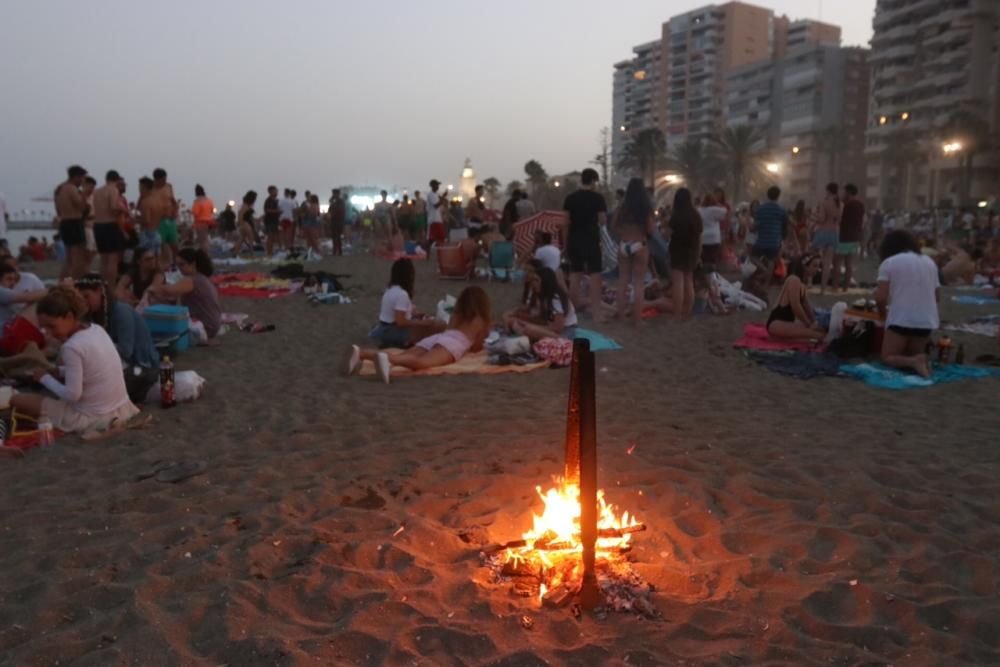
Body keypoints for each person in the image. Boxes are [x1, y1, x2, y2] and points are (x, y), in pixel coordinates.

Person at [9, 286, 139, 434]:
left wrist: (43, 378)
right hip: (120, 407)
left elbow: (72, 395)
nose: (48, 333)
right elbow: (92, 368)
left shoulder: (72, 347)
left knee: (16, 400)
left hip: (91, 417)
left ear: (69, 317)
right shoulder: (96, 329)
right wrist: (60, 371)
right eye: (44, 328)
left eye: (52, 326)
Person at [346, 286, 492, 384]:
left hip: (440, 337)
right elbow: (477, 345)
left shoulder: (457, 315)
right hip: (454, 345)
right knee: (422, 363)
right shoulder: (481, 321)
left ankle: (361, 353)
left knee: (407, 355)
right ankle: (388, 360)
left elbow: (449, 330)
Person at [75, 274, 159, 403]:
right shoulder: (95, 314)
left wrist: (97, 345)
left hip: (141, 367)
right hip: (122, 365)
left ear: (100, 291)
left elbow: (126, 351)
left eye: (87, 296)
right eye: (80, 299)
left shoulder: (121, 311)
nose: (84, 302)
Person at [875, 230, 940, 378]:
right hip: (926, 321)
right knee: (911, 353)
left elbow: (880, 298)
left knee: (888, 357)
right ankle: (917, 360)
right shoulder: (929, 262)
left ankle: (914, 362)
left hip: (901, 320)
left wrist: (882, 316)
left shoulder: (889, 263)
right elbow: (936, 297)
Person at [368, 258, 445, 348]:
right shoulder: (402, 294)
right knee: (438, 325)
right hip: (391, 330)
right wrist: (423, 323)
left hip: (384, 327)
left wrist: (416, 316)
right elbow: (400, 322)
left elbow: (396, 315)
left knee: (431, 324)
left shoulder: (390, 289)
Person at [150, 247, 222, 341]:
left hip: (204, 327)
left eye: (182, 265)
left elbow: (168, 291)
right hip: (211, 324)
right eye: (178, 265)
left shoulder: (192, 279)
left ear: (193, 264)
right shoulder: (200, 278)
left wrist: (158, 277)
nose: (179, 269)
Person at [562, 168, 608, 316]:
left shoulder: (570, 198)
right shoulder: (598, 198)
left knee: (575, 275)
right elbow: (602, 221)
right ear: (593, 181)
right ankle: (596, 313)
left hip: (574, 240)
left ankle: (571, 310)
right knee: (595, 275)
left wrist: (565, 243)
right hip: (591, 240)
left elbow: (565, 223)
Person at [613, 177, 656, 323]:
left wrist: (623, 234)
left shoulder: (622, 207)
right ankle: (637, 319)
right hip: (640, 244)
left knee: (622, 281)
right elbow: (651, 229)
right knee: (638, 283)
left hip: (624, 244)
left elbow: (613, 227)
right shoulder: (645, 207)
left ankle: (621, 316)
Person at [506, 264, 577, 341]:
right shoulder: (543, 296)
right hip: (550, 328)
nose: (533, 283)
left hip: (564, 333)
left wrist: (530, 325)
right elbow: (543, 320)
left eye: (536, 280)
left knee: (529, 330)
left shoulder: (556, 298)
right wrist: (522, 318)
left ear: (545, 281)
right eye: (533, 280)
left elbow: (558, 328)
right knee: (513, 321)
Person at [766, 253, 826, 343]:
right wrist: (808, 324)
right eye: (814, 266)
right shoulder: (794, 280)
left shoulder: (802, 284)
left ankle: (780, 339)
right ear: (805, 266)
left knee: (820, 331)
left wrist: (814, 322)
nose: (817, 269)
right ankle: (779, 338)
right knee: (818, 335)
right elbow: (796, 306)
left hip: (786, 323)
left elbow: (806, 306)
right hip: (776, 324)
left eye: (818, 266)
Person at [749, 186, 792, 301]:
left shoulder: (761, 209)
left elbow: (755, 226)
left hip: (762, 241)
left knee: (753, 257)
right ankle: (765, 287)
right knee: (772, 262)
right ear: (778, 196)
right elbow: (785, 227)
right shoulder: (782, 210)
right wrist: (782, 239)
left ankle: (763, 270)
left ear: (767, 195)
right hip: (774, 242)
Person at [667, 188, 703, 320]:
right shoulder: (696, 215)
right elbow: (700, 238)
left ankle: (677, 314)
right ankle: (688, 312)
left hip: (677, 251)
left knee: (678, 283)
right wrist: (698, 255)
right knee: (689, 281)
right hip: (692, 252)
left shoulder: (676, 215)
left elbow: (667, 235)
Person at [91, 170, 127, 286]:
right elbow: (113, 207)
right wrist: (124, 209)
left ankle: (102, 284)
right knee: (112, 260)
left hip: (97, 226)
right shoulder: (113, 189)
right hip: (109, 225)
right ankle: (111, 285)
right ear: (116, 180)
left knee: (103, 259)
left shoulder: (96, 191)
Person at [54, 165, 89, 279]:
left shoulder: (60, 189)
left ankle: (63, 282)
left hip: (65, 222)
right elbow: (81, 206)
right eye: (82, 178)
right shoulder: (71, 188)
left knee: (70, 258)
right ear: (77, 177)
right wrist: (84, 193)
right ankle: (73, 282)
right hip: (73, 222)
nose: (83, 181)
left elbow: (58, 209)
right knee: (76, 258)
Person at [832, 183, 865, 292]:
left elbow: (839, 218)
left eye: (844, 192)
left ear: (849, 192)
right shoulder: (860, 204)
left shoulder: (847, 204)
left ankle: (835, 287)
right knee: (849, 264)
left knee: (836, 263)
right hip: (855, 237)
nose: (843, 194)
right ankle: (845, 288)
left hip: (844, 236)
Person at [813, 182, 842, 294]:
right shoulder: (841, 204)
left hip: (823, 231)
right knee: (828, 263)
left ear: (828, 191)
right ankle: (823, 289)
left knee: (815, 256)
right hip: (834, 233)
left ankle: (811, 281)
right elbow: (838, 220)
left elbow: (821, 219)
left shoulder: (824, 203)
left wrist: (813, 217)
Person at [152, 168, 179, 266]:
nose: (164, 181)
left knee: (174, 245)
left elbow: (173, 201)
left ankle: (177, 264)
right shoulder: (151, 189)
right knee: (161, 245)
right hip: (158, 221)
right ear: (156, 179)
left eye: (165, 179)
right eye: (162, 179)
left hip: (170, 219)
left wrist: (175, 212)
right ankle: (163, 266)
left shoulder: (168, 187)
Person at [697, 192, 727, 270]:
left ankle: (704, 276)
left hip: (703, 238)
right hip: (714, 238)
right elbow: (725, 211)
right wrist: (718, 204)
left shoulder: (699, 210)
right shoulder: (716, 210)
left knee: (704, 259)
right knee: (712, 260)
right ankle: (712, 276)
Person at [191, 184, 216, 255]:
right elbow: (212, 210)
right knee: (206, 240)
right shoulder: (209, 200)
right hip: (210, 222)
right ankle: (206, 255)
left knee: (202, 241)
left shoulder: (197, 201)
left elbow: (195, 213)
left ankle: (205, 256)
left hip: (200, 222)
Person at [301, 194, 323, 259]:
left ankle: (317, 252)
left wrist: (307, 212)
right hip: (309, 223)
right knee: (309, 239)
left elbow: (314, 214)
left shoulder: (314, 205)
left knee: (313, 238)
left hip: (311, 223)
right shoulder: (312, 205)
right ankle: (311, 252)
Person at [237, 190, 258, 256]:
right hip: (245, 223)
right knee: (250, 238)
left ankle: (235, 252)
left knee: (241, 239)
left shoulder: (247, 206)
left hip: (246, 223)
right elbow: (240, 215)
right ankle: (252, 253)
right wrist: (241, 224)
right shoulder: (245, 206)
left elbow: (249, 216)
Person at [427, 180, 446, 249]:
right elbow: (436, 205)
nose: (438, 187)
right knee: (432, 238)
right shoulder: (430, 194)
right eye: (436, 185)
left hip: (438, 219)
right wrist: (443, 197)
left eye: (438, 185)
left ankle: (439, 251)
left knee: (441, 237)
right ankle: (428, 252)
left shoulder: (436, 194)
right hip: (433, 219)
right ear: (432, 186)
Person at [262, 185, 280, 257]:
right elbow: (268, 210)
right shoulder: (269, 200)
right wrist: (278, 211)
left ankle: (271, 252)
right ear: (271, 192)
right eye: (275, 191)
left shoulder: (275, 200)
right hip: (270, 221)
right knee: (270, 237)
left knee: (274, 238)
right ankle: (269, 253)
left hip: (275, 221)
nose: (277, 192)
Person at [329, 189, 347, 256]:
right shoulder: (335, 201)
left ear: (337, 194)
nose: (333, 195)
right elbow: (330, 209)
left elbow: (340, 211)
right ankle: (336, 250)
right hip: (335, 221)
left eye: (334, 193)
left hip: (338, 221)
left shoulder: (340, 202)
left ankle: (338, 251)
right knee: (335, 236)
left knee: (337, 236)